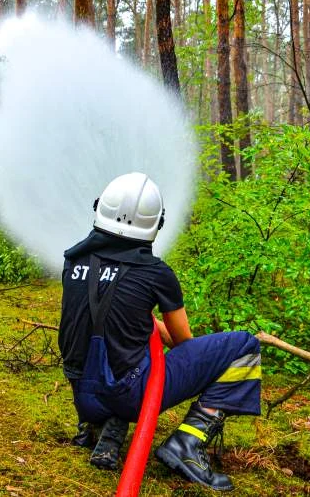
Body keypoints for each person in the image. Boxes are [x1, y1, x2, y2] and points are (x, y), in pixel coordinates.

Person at [58, 172, 261, 492]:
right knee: (244, 346)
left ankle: (96, 426)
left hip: (83, 398)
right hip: (132, 397)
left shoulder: (73, 260)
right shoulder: (155, 273)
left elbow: (94, 321)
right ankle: (187, 445)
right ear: (156, 224)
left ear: (101, 210)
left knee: (118, 356)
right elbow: (183, 344)